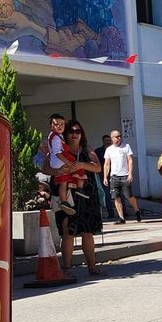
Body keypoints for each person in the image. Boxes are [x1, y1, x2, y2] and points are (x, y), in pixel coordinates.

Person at [57, 120, 106, 276]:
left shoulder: (87, 150)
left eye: (77, 131)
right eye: (71, 131)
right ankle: (66, 269)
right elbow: (44, 167)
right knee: (68, 231)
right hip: (68, 197)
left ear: (82, 134)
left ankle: (92, 266)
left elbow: (98, 167)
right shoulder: (58, 151)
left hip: (87, 197)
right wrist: (57, 170)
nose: (74, 134)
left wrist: (81, 165)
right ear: (65, 134)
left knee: (87, 231)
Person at [41, 113, 81, 215]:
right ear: (51, 125)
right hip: (59, 162)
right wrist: (68, 162)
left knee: (64, 182)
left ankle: (66, 200)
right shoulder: (55, 138)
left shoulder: (57, 136)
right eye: (56, 124)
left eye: (61, 124)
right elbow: (58, 152)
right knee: (76, 169)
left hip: (57, 163)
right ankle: (69, 197)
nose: (59, 126)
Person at [102, 130, 141, 223]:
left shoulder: (126, 146)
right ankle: (121, 217)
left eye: (120, 136)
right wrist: (105, 177)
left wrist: (130, 173)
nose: (119, 138)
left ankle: (137, 210)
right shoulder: (109, 149)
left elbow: (130, 160)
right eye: (116, 136)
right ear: (112, 138)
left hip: (125, 176)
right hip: (114, 177)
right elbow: (106, 164)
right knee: (116, 197)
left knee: (129, 196)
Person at [94, 133, 114, 217]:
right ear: (103, 141)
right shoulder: (98, 151)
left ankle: (124, 212)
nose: (108, 142)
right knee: (107, 194)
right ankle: (111, 212)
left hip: (114, 175)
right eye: (106, 141)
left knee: (119, 195)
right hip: (103, 175)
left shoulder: (115, 150)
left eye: (109, 140)